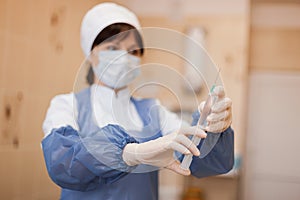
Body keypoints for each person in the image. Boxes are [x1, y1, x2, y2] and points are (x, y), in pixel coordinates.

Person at [41, 2, 234, 200]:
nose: (124, 57)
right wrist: (129, 153)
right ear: (91, 54)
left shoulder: (153, 111)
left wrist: (213, 129)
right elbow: (62, 162)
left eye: (133, 51)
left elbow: (200, 159)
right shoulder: (67, 105)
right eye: (113, 47)